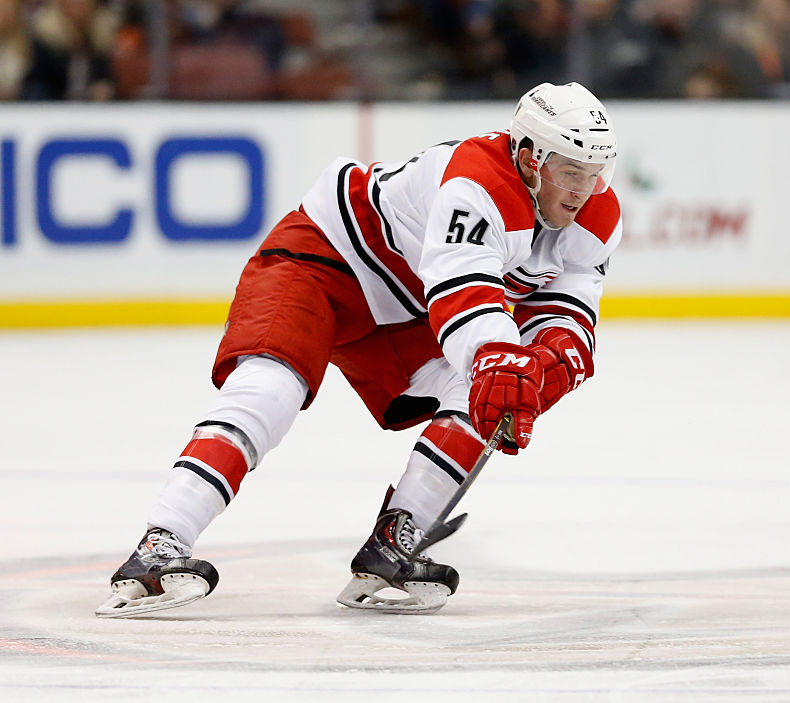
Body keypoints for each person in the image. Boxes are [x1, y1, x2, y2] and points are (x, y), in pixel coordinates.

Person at [95, 81, 622, 617]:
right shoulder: (479, 180)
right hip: (323, 260)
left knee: (483, 387)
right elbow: (463, 293)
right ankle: (160, 545)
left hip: (405, 303)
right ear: (530, 158)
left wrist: (551, 362)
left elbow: (569, 311)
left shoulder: (597, 215)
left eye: (594, 172)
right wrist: (501, 357)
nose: (583, 189)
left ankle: (397, 539)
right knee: (271, 387)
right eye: (570, 171)